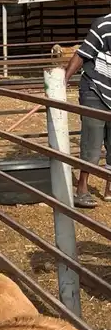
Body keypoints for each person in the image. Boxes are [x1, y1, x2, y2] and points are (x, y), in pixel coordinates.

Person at [64, 12, 111, 208]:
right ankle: (81, 189)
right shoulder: (103, 25)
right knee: (92, 139)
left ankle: (110, 188)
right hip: (95, 88)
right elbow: (83, 53)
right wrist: (63, 81)